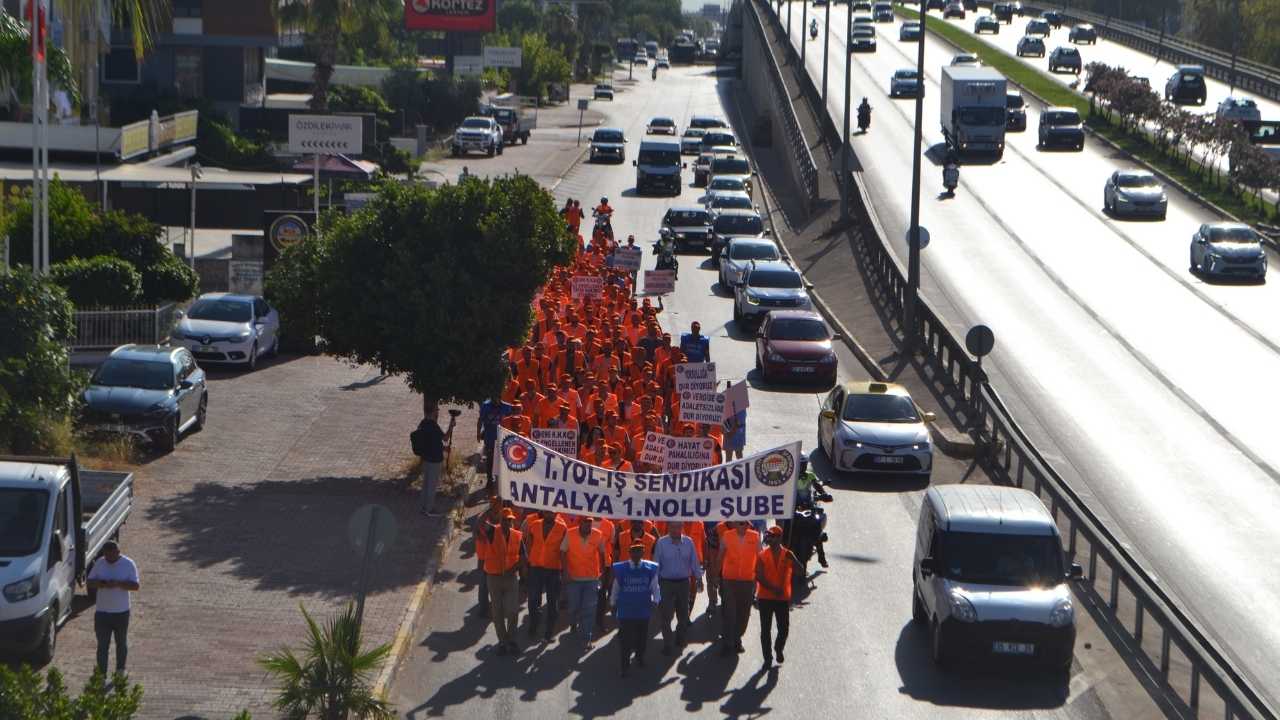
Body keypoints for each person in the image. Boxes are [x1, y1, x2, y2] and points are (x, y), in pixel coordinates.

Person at [86, 540, 139, 677]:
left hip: (121, 612)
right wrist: (103, 583)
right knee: (102, 645)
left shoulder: (128, 564)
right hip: (102, 612)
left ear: (118, 552)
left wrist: (119, 584)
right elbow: (90, 582)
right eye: (106, 556)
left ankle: (120, 670)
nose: (108, 559)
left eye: (111, 556)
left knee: (121, 642)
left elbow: (135, 586)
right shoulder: (100, 563)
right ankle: (101, 674)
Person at [610, 542, 661, 676]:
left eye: (639, 551)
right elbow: (616, 587)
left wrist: (656, 601)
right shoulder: (622, 569)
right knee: (626, 640)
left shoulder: (650, 568)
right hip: (626, 610)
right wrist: (612, 602)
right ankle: (624, 665)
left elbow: (655, 587)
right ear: (629, 553)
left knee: (642, 638)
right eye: (634, 551)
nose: (636, 554)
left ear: (643, 552)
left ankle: (640, 657)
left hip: (643, 609)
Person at [653, 521, 703, 655]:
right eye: (672, 527)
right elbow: (656, 564)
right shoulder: (661, 543)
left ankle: (680, 638)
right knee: (666, 615)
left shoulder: (689, 542)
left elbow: (694, 562)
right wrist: (654, 585)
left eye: (678, 527)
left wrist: (699, 578)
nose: (675, 530)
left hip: (683, 583)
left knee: (683, 614)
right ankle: (667, 643)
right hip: (666, 583)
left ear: (682, 527)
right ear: (668, 527)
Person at [561, 517, 607, 651]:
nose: (588, 525)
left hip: (591, 578)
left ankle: (587, 637)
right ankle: (573, 622)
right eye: (585, 522)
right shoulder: (570, 533)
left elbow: (602, 553)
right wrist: (565, 572)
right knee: (574, 606)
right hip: (573, 578)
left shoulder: (598, 535)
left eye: (590, 523)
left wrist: (602, 573)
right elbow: (563, 552)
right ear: (580, 523)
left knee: (589, 609)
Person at [756, 527, 798, 669]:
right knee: (765, 630)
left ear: (780, 538)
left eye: (773, 536)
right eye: (769, 536)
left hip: (782, 599)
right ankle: (767, 658)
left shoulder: (787, 554)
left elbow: (801, 571)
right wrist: (774, 588)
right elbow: (759, 577)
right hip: (765, 598)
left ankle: (779, 648)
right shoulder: (762, 555)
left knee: (784, 628)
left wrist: (794, 559)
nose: (770, 539)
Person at [484, 509, 524, 656]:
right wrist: (491, 508)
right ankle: (502, 641)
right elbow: (479, 526)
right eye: (505, 519)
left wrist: (513, 569)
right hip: (493, 577)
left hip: (511, 577)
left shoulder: (517, 535)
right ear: (500, 520)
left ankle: (512, 639)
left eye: (510, 520)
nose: (508, 522)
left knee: (513, 610)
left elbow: (523, 558)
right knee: (497, 611)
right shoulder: (492, 531)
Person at [719, 520, 761, 656]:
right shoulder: (726, 535)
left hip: (748, 581)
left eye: (746, 524)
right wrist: (715, 575)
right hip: (729, 580)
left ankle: (737, 638)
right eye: (740, 523)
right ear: (735, 524)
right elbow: (720, 556)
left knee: (743, 614)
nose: (743, 526)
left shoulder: (755, 536)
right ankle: (728, 643)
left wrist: (761, 579)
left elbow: (760, 558)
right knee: (729, 612)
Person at [525, 510, 567, 642]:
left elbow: (564, 549)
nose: (550, 515)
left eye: (553, 513)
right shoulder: (535, 524)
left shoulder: (562, 528)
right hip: (535, 568)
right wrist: (528, 561)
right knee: (532, 599)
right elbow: (528, 543)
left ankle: (549, 633)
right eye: (548, 513)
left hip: (553, 569)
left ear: (556, 514)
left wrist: (564, 571)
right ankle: (534, 624)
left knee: (552, 603)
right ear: (543, 512)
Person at [411, 402, 453, 517]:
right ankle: (429, 509)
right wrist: (451, 425)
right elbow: (445, 438)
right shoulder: (433, 425)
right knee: (432, 485)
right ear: (433, 411)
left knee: (426, 484)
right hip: (435, 459)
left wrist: (444, 448)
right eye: (436, 410)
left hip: (426, 458)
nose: (437, 411)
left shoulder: (422, 423)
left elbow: (431, 441)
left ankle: (423, 507)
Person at [477, 397, 514, 486]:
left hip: (504, 439)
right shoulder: (485, 406)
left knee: (504, 459)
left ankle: (504, 479)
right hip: (490, 437)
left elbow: (513, 419)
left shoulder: (507, 407)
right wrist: (478, 433)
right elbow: (480, 420)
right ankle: (489, 479)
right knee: (490, 458)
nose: (496, 399)